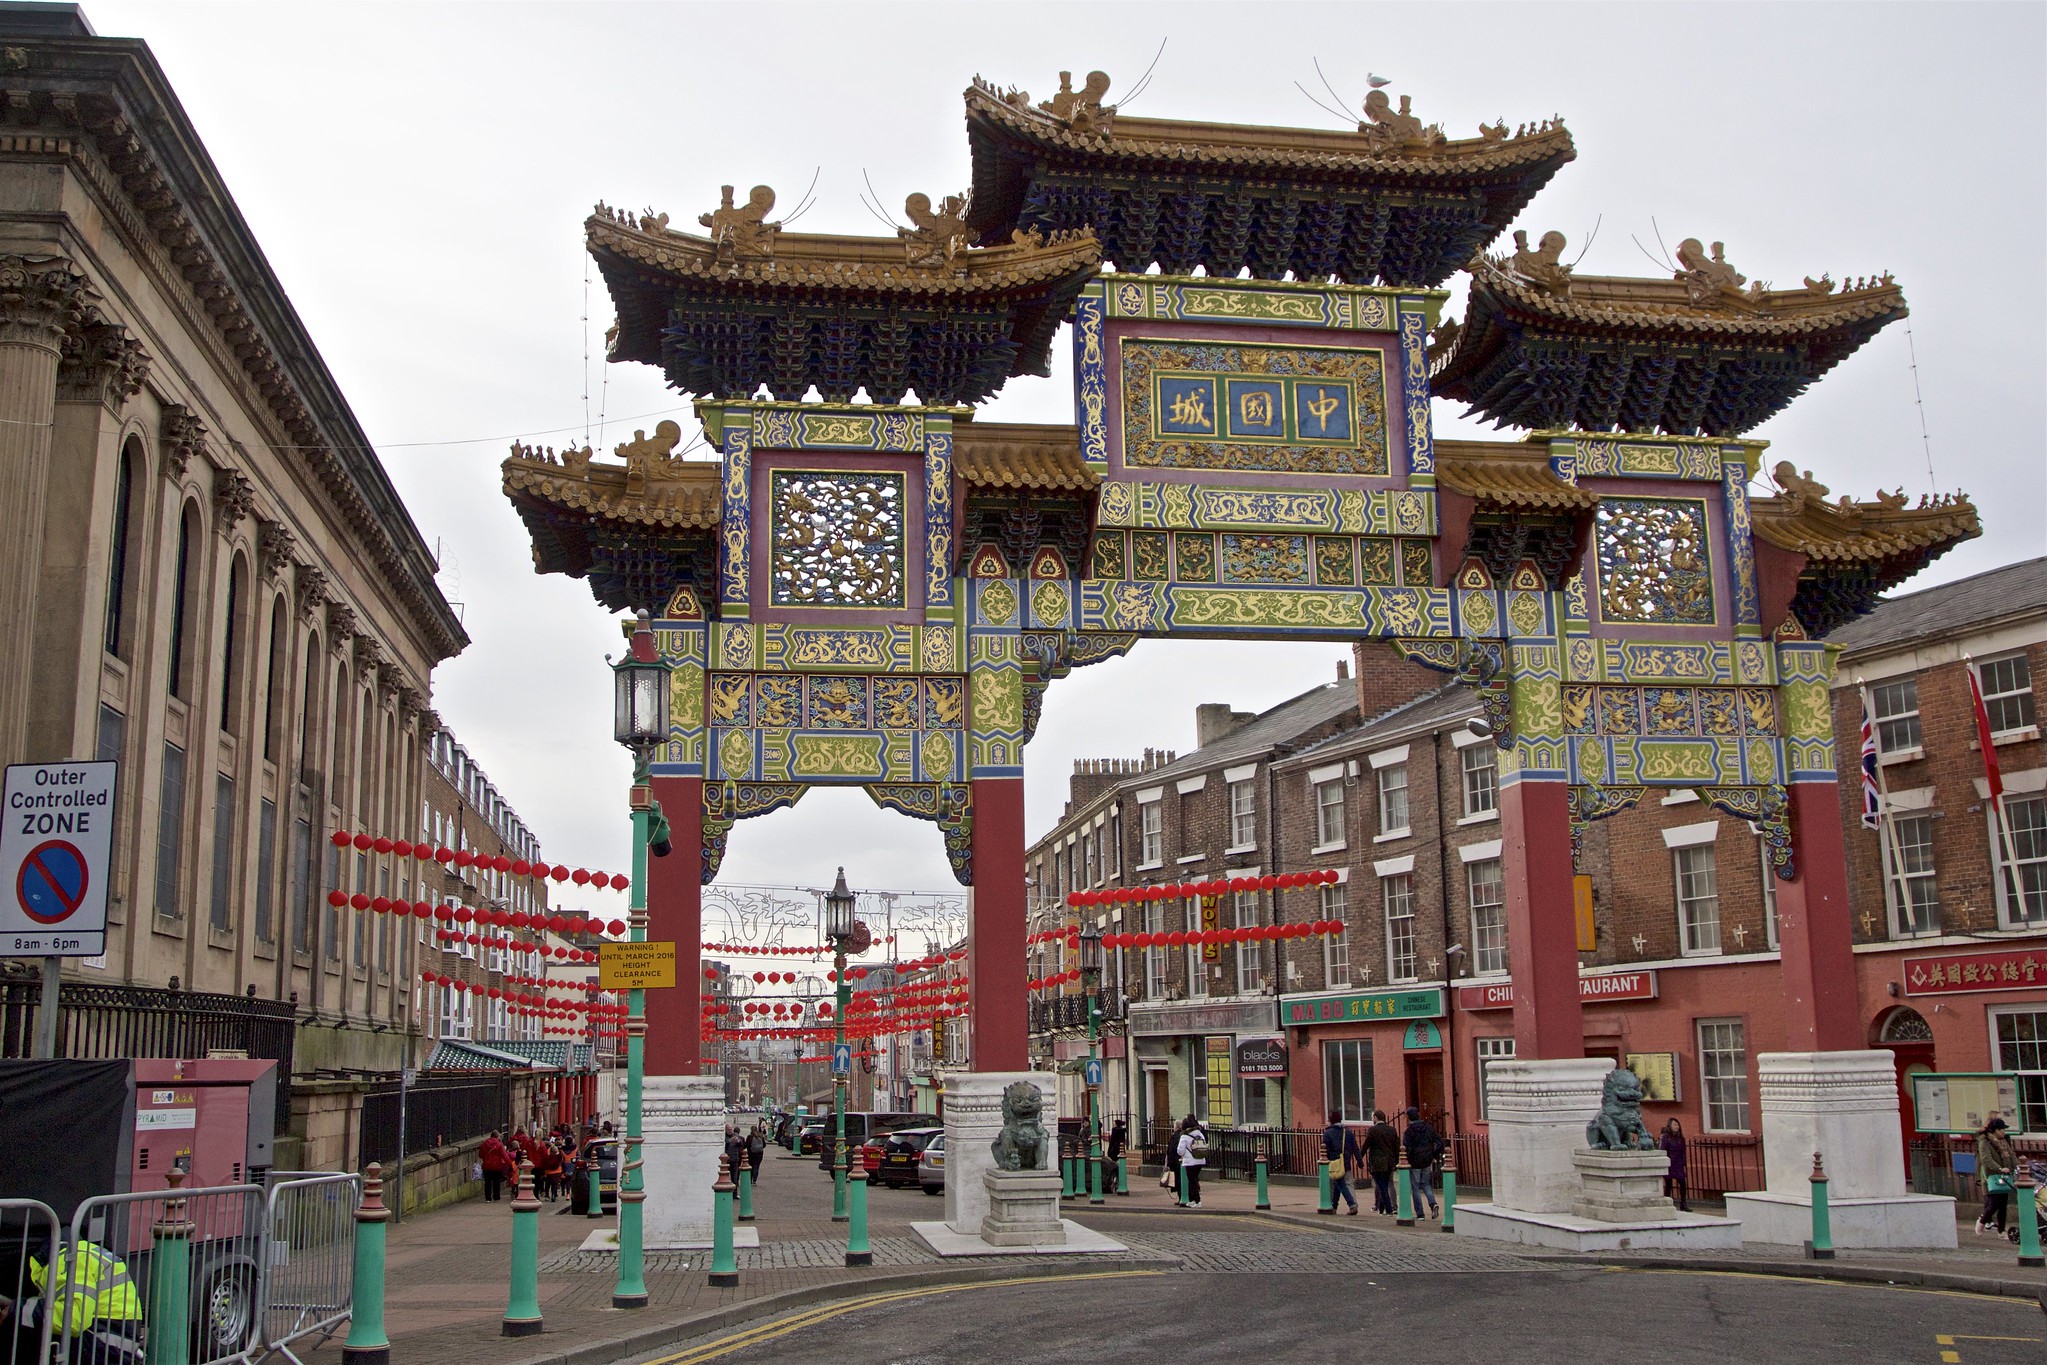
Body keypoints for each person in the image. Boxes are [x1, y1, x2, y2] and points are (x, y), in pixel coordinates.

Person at [0, 1238, 144, 1363]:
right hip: (115, 1341)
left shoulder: (68, 1261)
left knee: (26, 1327)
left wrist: (17, 1309)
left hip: (104, 1346)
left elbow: (73, 1319)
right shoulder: (82, 1252)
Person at [1976, 1114, 2019, 1234]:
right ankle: (1982, 1222)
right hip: (1991, 1177)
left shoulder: (2003, 1142)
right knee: (1994, 1203)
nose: (2004, 1132)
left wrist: (2017, 1166)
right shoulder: (1984, 1142)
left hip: (2004, 1177)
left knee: (2003, 1205)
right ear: (1996, 1130)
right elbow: (1986, 1160)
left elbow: (2012, 1156)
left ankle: (2001, 1230)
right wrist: (2000, 1168)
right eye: (2003, 1129)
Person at [1401, 1107, 1444, 1218]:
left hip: (1415, 1161)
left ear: (1409, 1117)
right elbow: (1439, 1142)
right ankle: (1433, 1203)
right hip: (1427, 1160)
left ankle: (1420, 1214)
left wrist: (1409, 1159)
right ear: (1418, 1115)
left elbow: (1406, 1147)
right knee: (1426, 1184)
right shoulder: (1428, 1128)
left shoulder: (1409, 1131)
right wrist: (1434, 1154)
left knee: (1415, 1187)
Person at [1321, 1112, 1361, 1214]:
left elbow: (1325, 1150)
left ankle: (1351, 1205)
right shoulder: (1347, 1132)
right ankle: (1335, 1206)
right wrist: (1359, 1161)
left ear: (1331, 1121)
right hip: (1345, 1162)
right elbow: (1355, 1148)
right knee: (1345, 1184)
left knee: (1340, 1184)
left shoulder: (1327, 1134)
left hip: (1334, 1163)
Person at [1364, 1110, 1400, 1214]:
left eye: (1372, 1118)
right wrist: (1396, 1161)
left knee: (1380, 1185)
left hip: (1377, 1162)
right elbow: (1397, 1147)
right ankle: (1388, 1207)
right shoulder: (1392, 1130)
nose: (1372, 1120)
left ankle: (1388, 1208)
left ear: (1376, 1117)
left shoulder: (1372, 1130)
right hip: (1389, 1161)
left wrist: (1359, 1158)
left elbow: (1366, 1145)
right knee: (1389, 1183)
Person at [1175, 1115, 1209, 1208]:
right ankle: (1192, 1200)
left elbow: (1180, 1151)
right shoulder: (1200, 1134)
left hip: (1190, 1162)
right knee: (1194, 1180)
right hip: (1200, 1160)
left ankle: (1197, 1201)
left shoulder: (1184, 1136)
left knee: (1192, 1181)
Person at [1659, 1118, 1690, 1212]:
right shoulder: (1666, 1136)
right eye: (1674, 1125)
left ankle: (1683, 1204)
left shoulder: (1681, 1138)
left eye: (1677, 1125)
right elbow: (1663, 1150)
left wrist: (1683, 1162)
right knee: (1668, 1185)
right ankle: (1667, 1203)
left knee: (1683, 1183)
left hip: (1678, 1163)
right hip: (1669, 1163)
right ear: (1670, 1125)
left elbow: (1683, 1151)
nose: (1676, 1127)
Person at [480, 1129, 512, 1203]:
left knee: (487, 1182)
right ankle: (496, 1196)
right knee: (496, 1182)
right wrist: (510, 1164)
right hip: (496, 1166)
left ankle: (488, 1198)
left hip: (486, 1166)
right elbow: (505, 1156)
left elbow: (481, 1155)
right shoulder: (499, 1144)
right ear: (497, 1137)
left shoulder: (485, 1143)